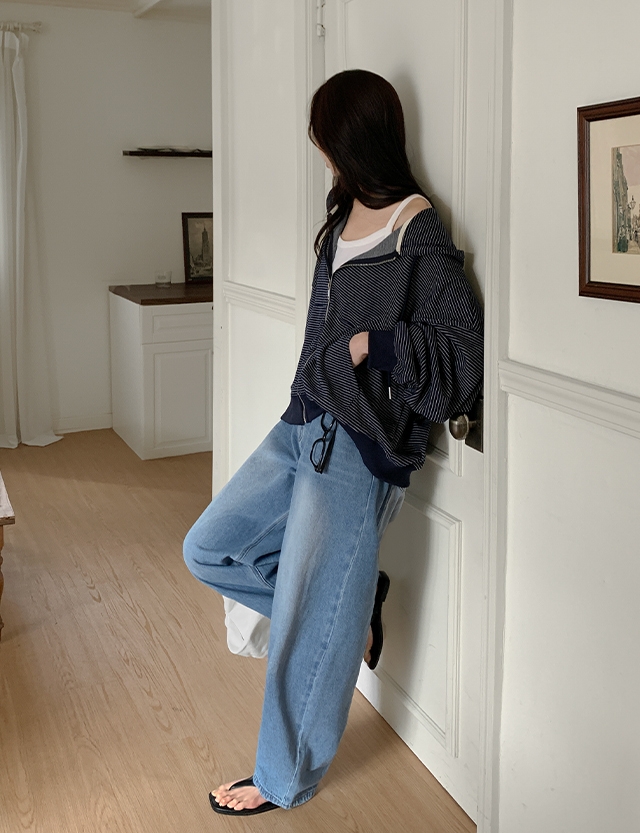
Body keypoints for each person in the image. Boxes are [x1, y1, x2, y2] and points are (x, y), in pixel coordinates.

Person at [182, 68, 484, 816]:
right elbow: (322, 326)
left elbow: (461, 348)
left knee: (310, 614)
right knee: (208, 547)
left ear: (354, 139)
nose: (321, 153)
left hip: (359, 447)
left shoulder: (416, 228)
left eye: (325, 139)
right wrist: (303, 394)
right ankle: (354, 603)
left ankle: (282, 778)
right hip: (304, 423)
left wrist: (367, 345)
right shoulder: (345, 209)